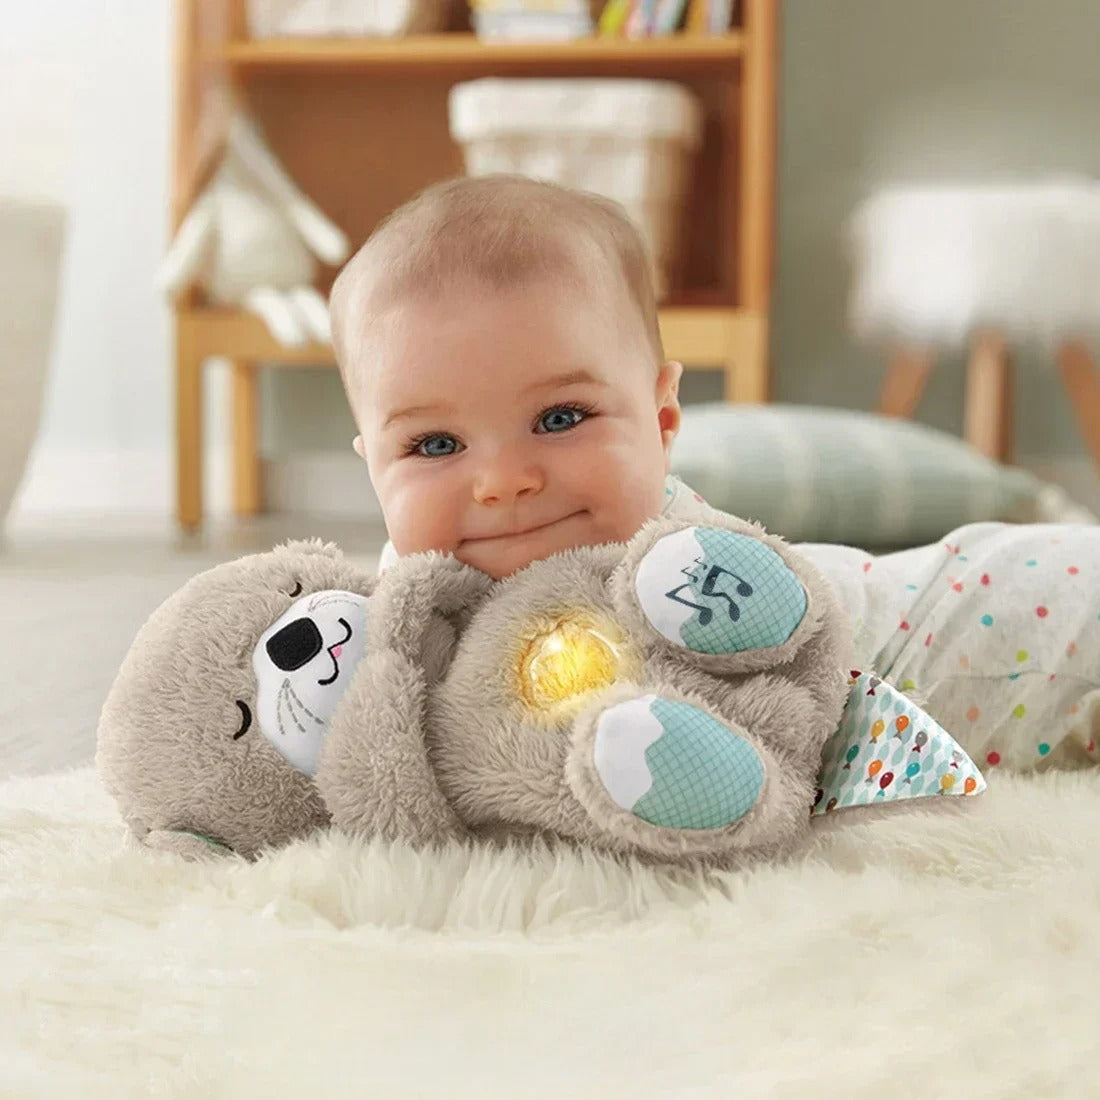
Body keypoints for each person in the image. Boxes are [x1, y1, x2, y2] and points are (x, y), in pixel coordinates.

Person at [329, 173, 1100, 775]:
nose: (503, 481)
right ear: (374, 467)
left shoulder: (687, 575)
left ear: (663, 420)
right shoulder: (402, 611)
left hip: (1023, 620)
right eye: (434, 444)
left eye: (559, 419)